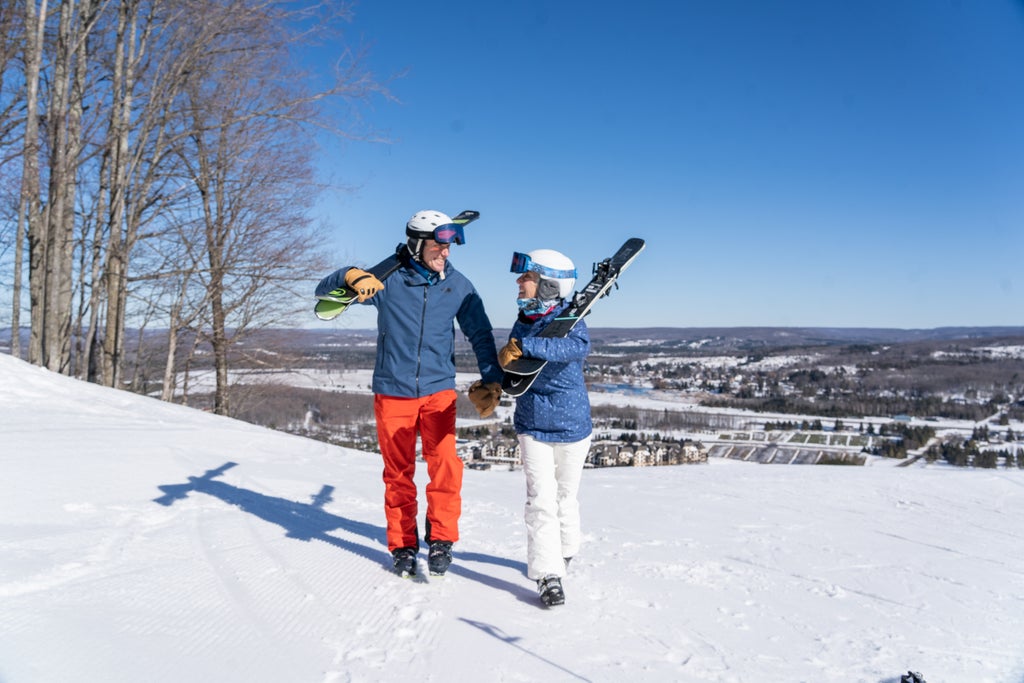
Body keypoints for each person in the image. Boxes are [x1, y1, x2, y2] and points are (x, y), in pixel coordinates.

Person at [315, 210, 504, 578]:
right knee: (398, 473)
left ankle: (442, 539)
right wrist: (350, 275)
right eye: (438, 245)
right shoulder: (386, 282)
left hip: (438, 392)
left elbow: (480, 334)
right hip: (393, 392)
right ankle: (403, 545)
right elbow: (325, 293)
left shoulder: (458, 285)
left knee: (446, 466)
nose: (446, 253)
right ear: (418, 245)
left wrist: (491, 377)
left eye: (448, 246)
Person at [497, 248, 592, 607]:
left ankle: (565, 551)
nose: (519, 283)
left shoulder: (573, 320)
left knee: (565, 498)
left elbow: (574, 348)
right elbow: (516, 362)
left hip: (572, 426)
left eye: (527, 277)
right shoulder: (523, 320)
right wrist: (496, 380)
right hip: (533, 424)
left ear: (549, 286)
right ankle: (548, 574)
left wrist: (525, 346)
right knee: (541, 501)